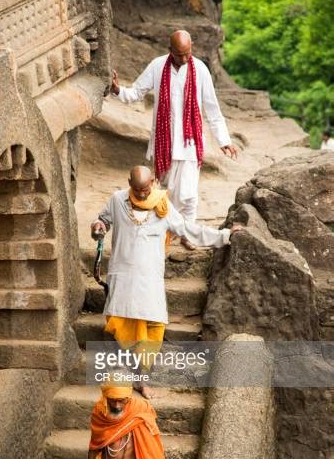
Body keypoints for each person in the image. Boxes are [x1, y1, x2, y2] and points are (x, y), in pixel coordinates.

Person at [91, 165, 243, 398]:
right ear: (129, 184)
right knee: (124, 329)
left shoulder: (163, 206)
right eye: (137, 190)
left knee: (154, 331)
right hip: (122, 278)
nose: (142, 194)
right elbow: (102, 221)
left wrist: (225, 235)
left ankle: (142, 379)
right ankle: (131, 376)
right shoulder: (117, 200)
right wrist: (98, 227)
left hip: (150, 281)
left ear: (153, 181)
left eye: (145, 189)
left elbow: (188, 230)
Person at [111, 29, 237, 250]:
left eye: (188, 52)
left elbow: (211, 108)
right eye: (180, 54)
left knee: (188, 195)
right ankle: (171, 230)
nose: (185, 58)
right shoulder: (158, 66)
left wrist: (224, 140)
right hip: (164, 143)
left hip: (190, 144)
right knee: (166, 192)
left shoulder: (201, 69)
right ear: (170, 51)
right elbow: (136, 93)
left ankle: (188, 234)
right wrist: (117, 90)